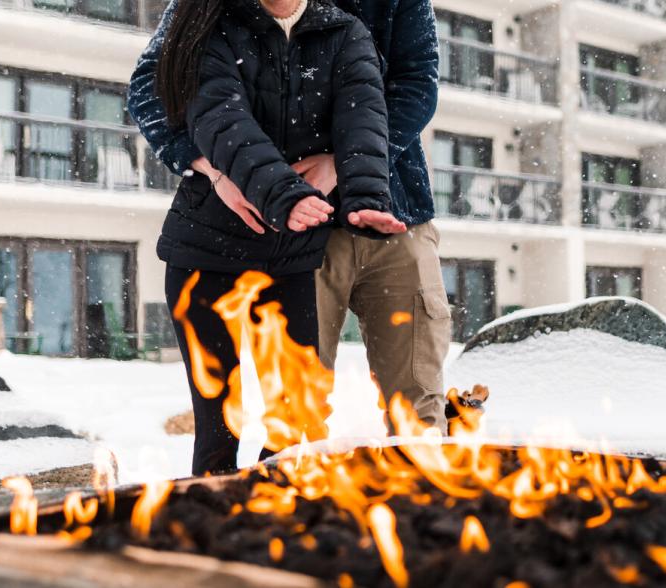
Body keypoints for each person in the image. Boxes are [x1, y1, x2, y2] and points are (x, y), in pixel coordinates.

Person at [130, 0, 451, 434]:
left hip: (395, 214)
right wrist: (215, 168)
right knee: (297, 416)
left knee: (418, 405)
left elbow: (416, 85)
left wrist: (341, 161)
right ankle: (302, 500)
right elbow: (154, 84)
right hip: (288, 235)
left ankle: (424, 498)